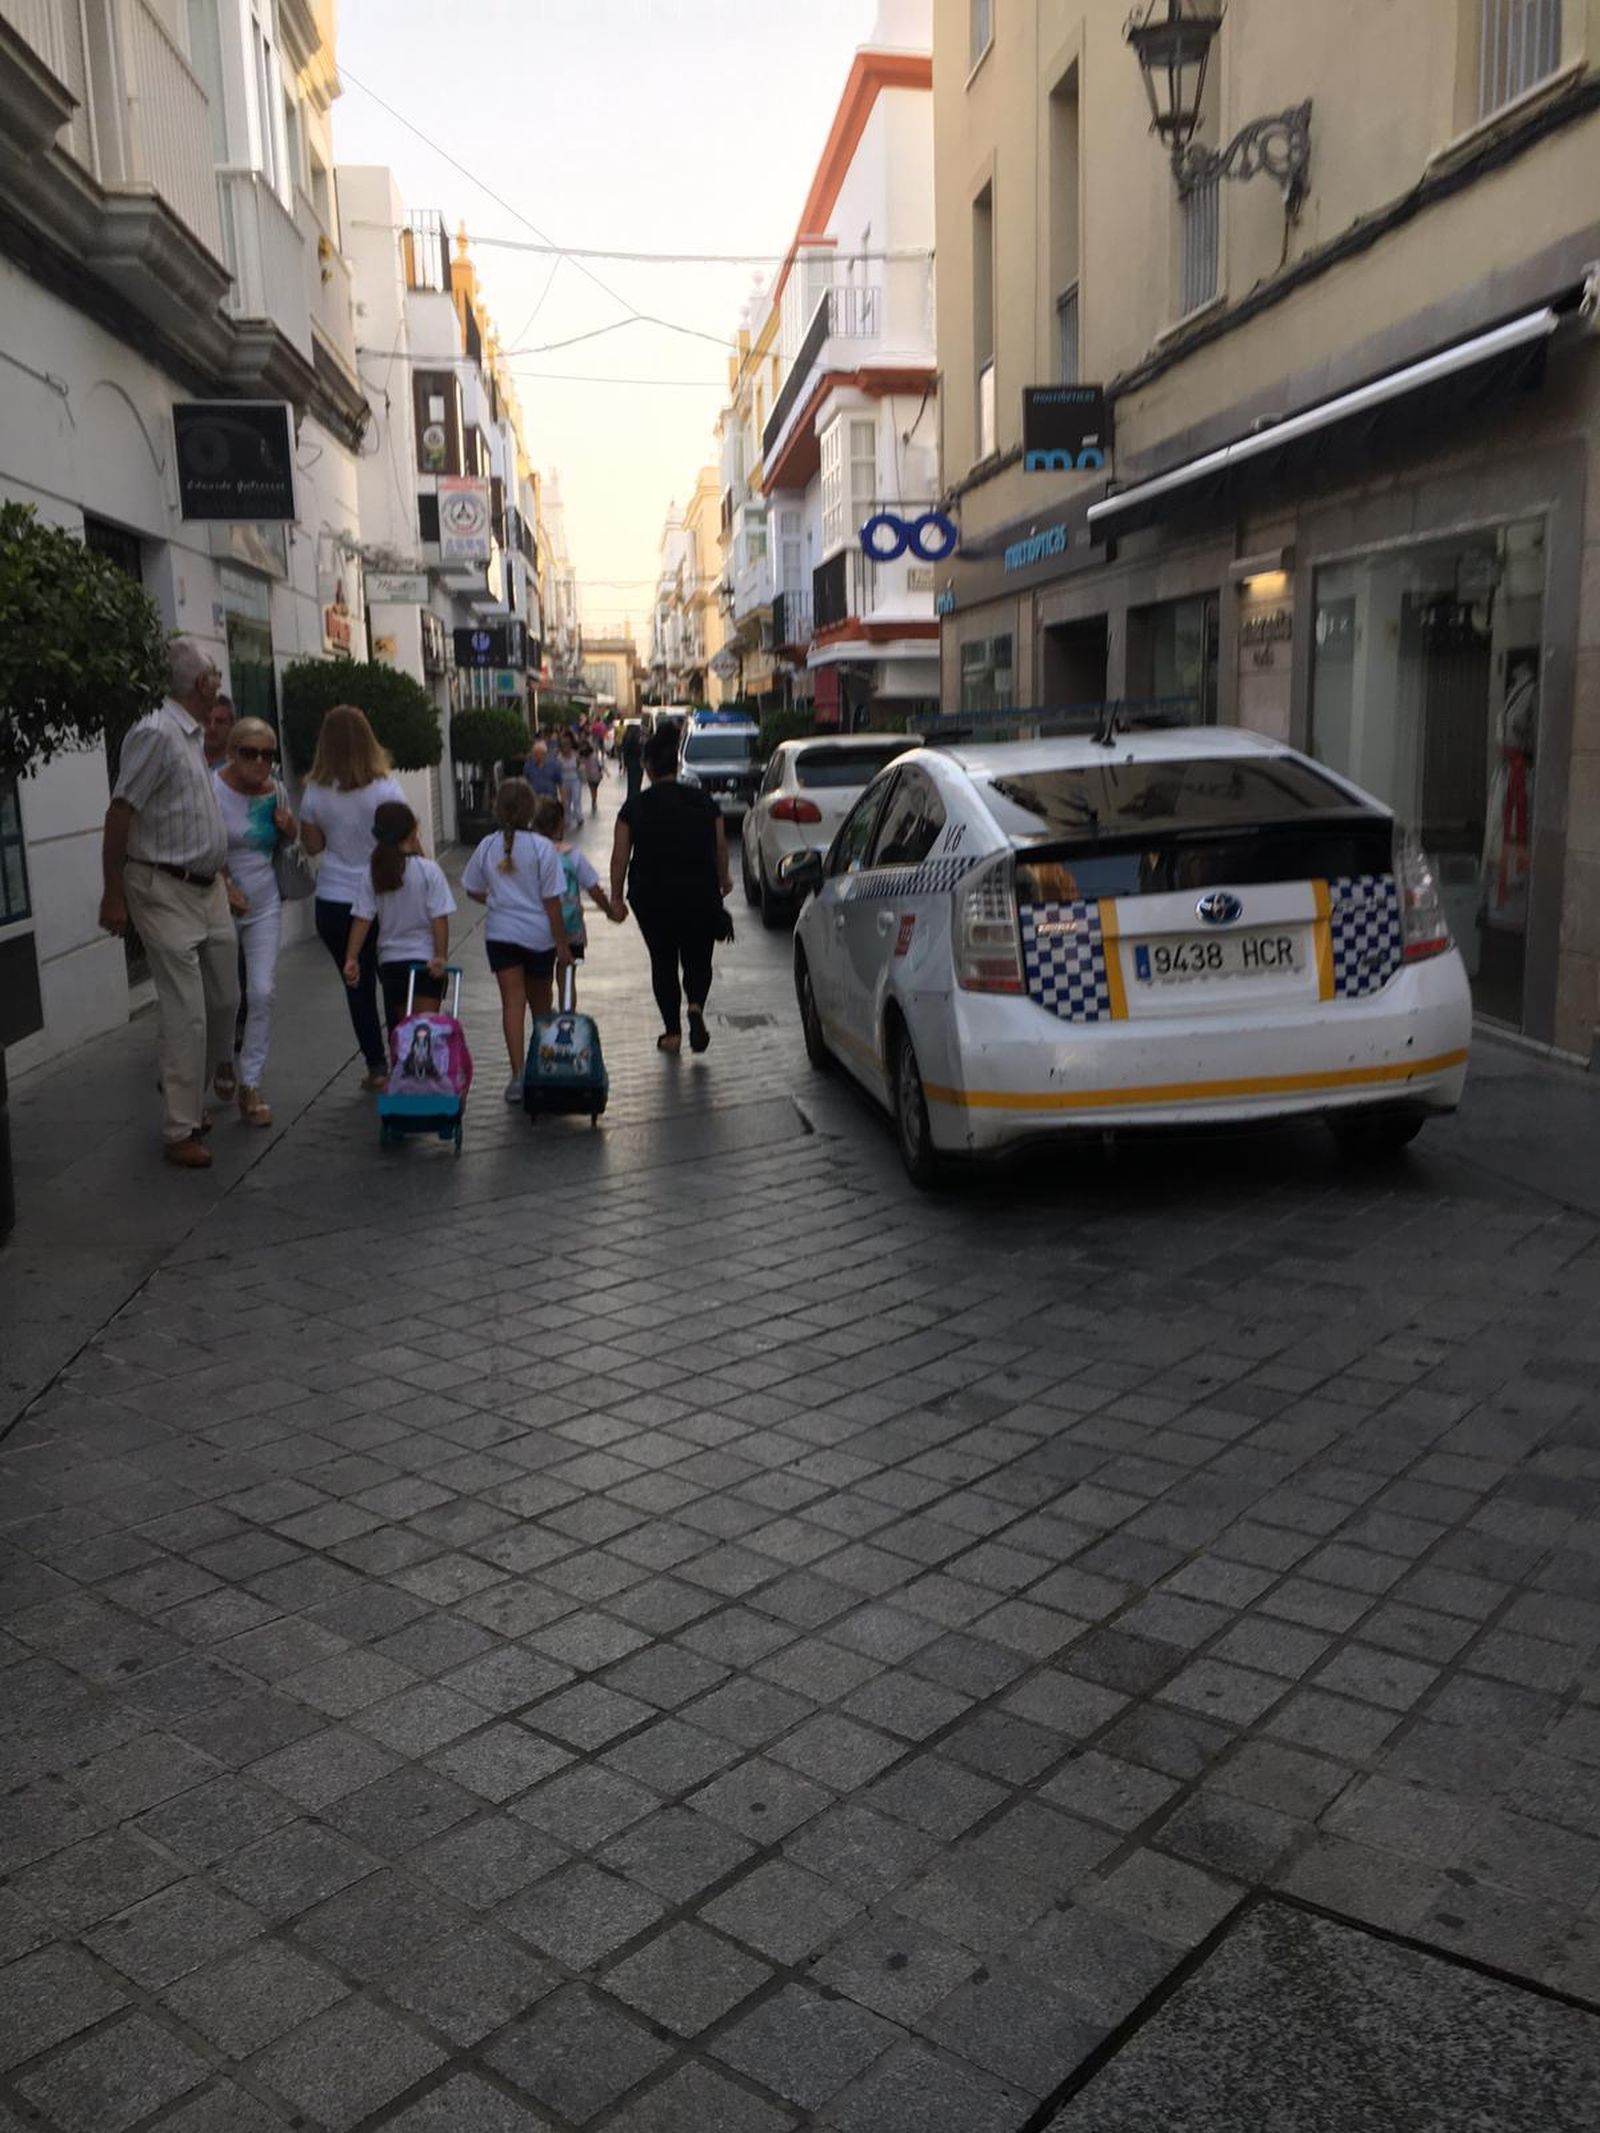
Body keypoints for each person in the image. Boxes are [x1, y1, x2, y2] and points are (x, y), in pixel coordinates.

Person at [99, 639, 239, 1169]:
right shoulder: (155, 734)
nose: (219, 682)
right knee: (187, 1011)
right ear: (200, 684)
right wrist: (114, 892)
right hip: (161, 887)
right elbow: (121, 811)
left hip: (206, 890)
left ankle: (189, 1093)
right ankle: (181, 1126)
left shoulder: (193, 737)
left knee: (224, 1000)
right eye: (214, 675)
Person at [298, 706, 408, 1089]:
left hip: (334, 899)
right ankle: (401, 1058)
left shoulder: (313, 792)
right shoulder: (386, 789)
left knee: (356, 984)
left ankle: (375, 1067)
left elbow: (313, 846)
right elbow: (406, 843)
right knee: (393, 979)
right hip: (383, 897)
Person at [610, 722, 731, 1055]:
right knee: (698, 956)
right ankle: (694, 1005)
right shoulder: (705, 803)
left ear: (647, 767)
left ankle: (672, 1033)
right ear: (676, 766)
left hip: (651, 895)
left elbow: (620, 857)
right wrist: (724, 880)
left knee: (662, 960)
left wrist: (616, 899)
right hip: (700, 891)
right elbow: (720, 847)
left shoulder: (634, 808)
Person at [462, 779, 574, 1100]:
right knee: (542, 1006)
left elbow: (471, 887)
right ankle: (544, 1067)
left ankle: (516, 1076)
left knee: (512, 1002)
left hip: (500, 934)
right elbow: (552, 902)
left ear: (498, 809)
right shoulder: (542, 849)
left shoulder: (486, 846)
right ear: (531, 810)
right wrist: (562, 945)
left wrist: (497, 901)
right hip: (538, 936)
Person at [213, 717, 294, 1127]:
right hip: (219, 903)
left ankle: (251, 1083)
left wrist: (289, 826)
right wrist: (225, 884)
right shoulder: (212, 790)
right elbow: (201, 844)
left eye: (268, 753)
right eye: (250, 752)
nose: (260, 761)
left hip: (264, 903)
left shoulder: (275, 790)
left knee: (261, 991)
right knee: (226, 996)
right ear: (232, 752)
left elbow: (288, 841)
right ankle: (224, 1058)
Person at [344, 801, 456, 1042]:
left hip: (391, 963)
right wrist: (440, 955)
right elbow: (439, 918)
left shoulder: (374, 873)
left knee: (403, 1033)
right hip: (425, 962)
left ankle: (400, 1077)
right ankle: (425, 1079)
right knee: (425, 1033)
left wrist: (351, 958)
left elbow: (362, 918)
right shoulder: (429, 871)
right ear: (412, 830)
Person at [534, 795, 613, 1006]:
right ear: (560, 823)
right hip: (571, 927)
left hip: (540, 926)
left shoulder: (533, 855)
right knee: (567, 978)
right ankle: (567, 1022)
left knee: (543, 981)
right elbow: (594, 888)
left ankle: (544, 1023)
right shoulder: (572, 855)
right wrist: (610, 911)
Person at [523, 737, 563, 809]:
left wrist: (562, 802)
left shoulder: (553, 765)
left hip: (551, 801)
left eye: (538, 753)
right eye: (534, 754)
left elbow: (560, 783)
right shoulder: (528, 766)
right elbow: (526, 784)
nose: (536, 756)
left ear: (544, 754)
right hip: (535, 802)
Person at [558, 732, 584, 834]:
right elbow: (557, 770)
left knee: (576, 799)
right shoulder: (559, 758)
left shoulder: (575, 755)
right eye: (563, 746)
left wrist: (581, 771)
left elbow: (580, 766)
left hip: (575, 780)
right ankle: (567, 820)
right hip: (564, 781)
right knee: (566, 801)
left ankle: (579, 817)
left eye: (567, 746)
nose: (565, 748)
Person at [202, 692, 235, 771]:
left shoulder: (238, 770)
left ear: (232, 726)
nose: (212, 727)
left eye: (220, 722)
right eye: (207, 721)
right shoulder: (185, 761)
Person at [620, 721, 643, 808]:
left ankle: (632, 798)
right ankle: (635, 799)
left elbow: (624, 751)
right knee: (635, 783)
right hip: (636, 763)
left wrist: (625, 763)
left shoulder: (627, 738)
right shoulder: (634, 741)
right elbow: (638, 751)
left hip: (631, 763)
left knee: (631, 782)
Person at [582, 738, 604, 816]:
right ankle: (594, 801)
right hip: (595, 775)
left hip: (591, 775)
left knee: (593, 789)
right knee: (594, 789)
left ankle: (593, 800)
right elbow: (599, 764)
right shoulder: (593, 755)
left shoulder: (584, 757)